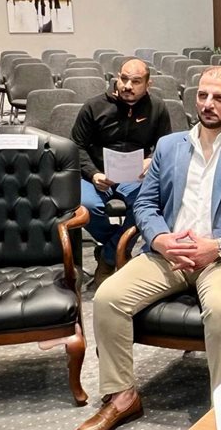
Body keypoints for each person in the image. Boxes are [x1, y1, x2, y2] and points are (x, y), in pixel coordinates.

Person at [73, 66, 221, 430]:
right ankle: (122, 396)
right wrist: (160, 240)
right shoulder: (170, 146)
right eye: (203, 95)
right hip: (170, 254)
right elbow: (146, 204)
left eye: (219, 97)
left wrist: (217, 246)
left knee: (220, 308)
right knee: (107, 298)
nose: (208, 104)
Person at [71, 58, 171, 287]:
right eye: (124, 79)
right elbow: (76, 145)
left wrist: (151, 160)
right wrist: (93, 174)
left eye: (136, 81)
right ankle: (119, 249)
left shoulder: (157, 108)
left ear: (148, 84)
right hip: (97, 173)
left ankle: (107, 258)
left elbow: (165, 144)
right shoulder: (94, 106)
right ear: (117, 77)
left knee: (148, 205)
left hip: (136, 176)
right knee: (86, 205)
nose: (127, 85)